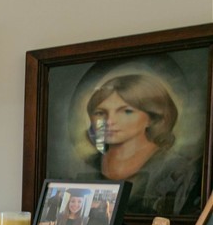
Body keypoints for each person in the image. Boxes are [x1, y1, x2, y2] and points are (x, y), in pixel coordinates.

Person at [83, 73, 199, 215]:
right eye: (100, 113)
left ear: (152, 118)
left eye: (126, 111)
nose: (109, 121)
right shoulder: (89, 164)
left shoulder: (176, 169)